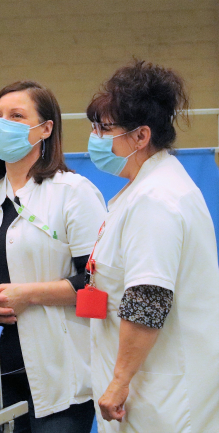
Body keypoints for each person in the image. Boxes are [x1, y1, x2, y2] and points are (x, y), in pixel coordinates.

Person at [0, 81, 106, 432]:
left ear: (46, 128)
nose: (2, 123)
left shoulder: (73, 193)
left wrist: (27, 295)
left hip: (59, 373)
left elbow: (97, 284)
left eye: (17, 116)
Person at [84, 60, 219, 432]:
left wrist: (118, 381)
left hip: (162, 398)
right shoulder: (146, 189)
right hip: (150, 391)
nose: (95, 137)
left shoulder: (156, 199)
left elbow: (148, 298)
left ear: (141, 136)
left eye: (105, 128)